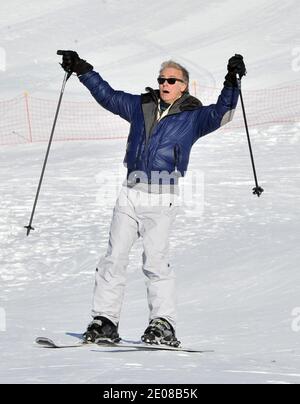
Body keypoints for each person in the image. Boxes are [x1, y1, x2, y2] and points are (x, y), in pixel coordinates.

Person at [59, 51, 245, 346]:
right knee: (113, 259)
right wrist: (83, 70)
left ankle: (163, 324)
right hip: (130, 192)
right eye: (161, 79)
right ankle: (105, 320)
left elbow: (223, 112)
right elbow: (108, 96)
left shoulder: (193, 117)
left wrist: (231, 80)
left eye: (171, 80)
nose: (164, 84)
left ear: (184, 85)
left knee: (155, 262)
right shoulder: (141, 106)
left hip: (162, 196)